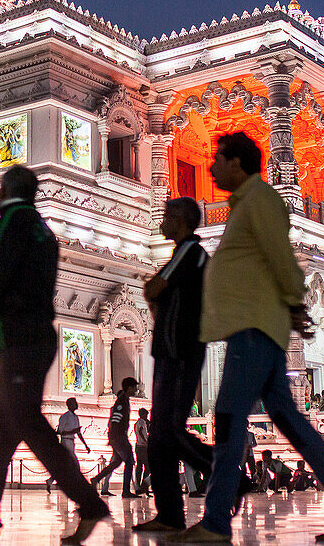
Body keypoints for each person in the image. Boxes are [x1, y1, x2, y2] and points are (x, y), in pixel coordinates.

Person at [172, 132, 324, 544]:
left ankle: (215, 521)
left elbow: (282, 256)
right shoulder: (245, 205)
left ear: (237, 164)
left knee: (227, 421)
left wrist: (296, 303)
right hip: (255, 326)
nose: (209, 168)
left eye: (217, 159)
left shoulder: (260, 201)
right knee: (291, 423)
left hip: (255, 330)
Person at [0, 166, 109, 544]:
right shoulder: (41, 228)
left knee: (30, 426)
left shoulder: (12, 221)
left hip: (20, 342)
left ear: (6, 190)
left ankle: (89, 502)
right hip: (33, 339)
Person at [134, 197, 215, 533]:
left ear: (180, 220)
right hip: (170, 352)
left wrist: (155, 292)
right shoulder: (181, 254)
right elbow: (155, 291)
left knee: (167, 431)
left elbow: (153, 286)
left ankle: (221, 468)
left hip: (181, 352)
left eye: (166, 216)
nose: (160, 221)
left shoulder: (191, 251)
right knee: (159, 438)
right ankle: (169, 514)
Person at [90, 377, 139, 497]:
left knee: (116, 462)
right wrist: (114, 436)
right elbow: (115, 419)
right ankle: (126, 491)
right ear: (129, 388)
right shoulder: (121, 402)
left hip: (119, 436)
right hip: (119, 437)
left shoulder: (124, 400)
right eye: (134, 387)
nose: (136, 390)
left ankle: (96, 479)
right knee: (129, 461)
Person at [46, 397, 90, 494]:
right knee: (74, 463)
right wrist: (72, 431)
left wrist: (85, 445)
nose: (76, 404)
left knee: (63, 465)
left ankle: (51, 480)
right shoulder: (65, 417)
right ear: (70, 405)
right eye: (74, 403)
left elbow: (78, 432)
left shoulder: (75, 417)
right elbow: (61, 432)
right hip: (66, 441)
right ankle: (79, 485)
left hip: (71, 442)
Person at [133, 408, 151, 494]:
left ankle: (138, 486)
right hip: (142, 447)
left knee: (139, 466)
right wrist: (145, 441)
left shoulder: (136, 423)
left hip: (138, 446)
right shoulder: (142, 422)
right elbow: (140, 431)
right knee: (148, 466)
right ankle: (144, 484)